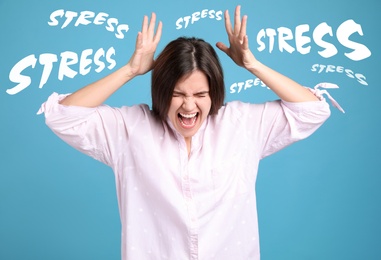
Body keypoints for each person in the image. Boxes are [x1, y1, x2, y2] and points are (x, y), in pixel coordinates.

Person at [38, 6, 343, 260]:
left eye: (200, 94)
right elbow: (62, 116)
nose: (188, 105)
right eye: (177, 93)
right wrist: (129, 70)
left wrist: (252, 64)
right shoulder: (130, 129)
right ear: (161, 90)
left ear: (215, 93)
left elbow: (313, 110)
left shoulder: (241, 124)